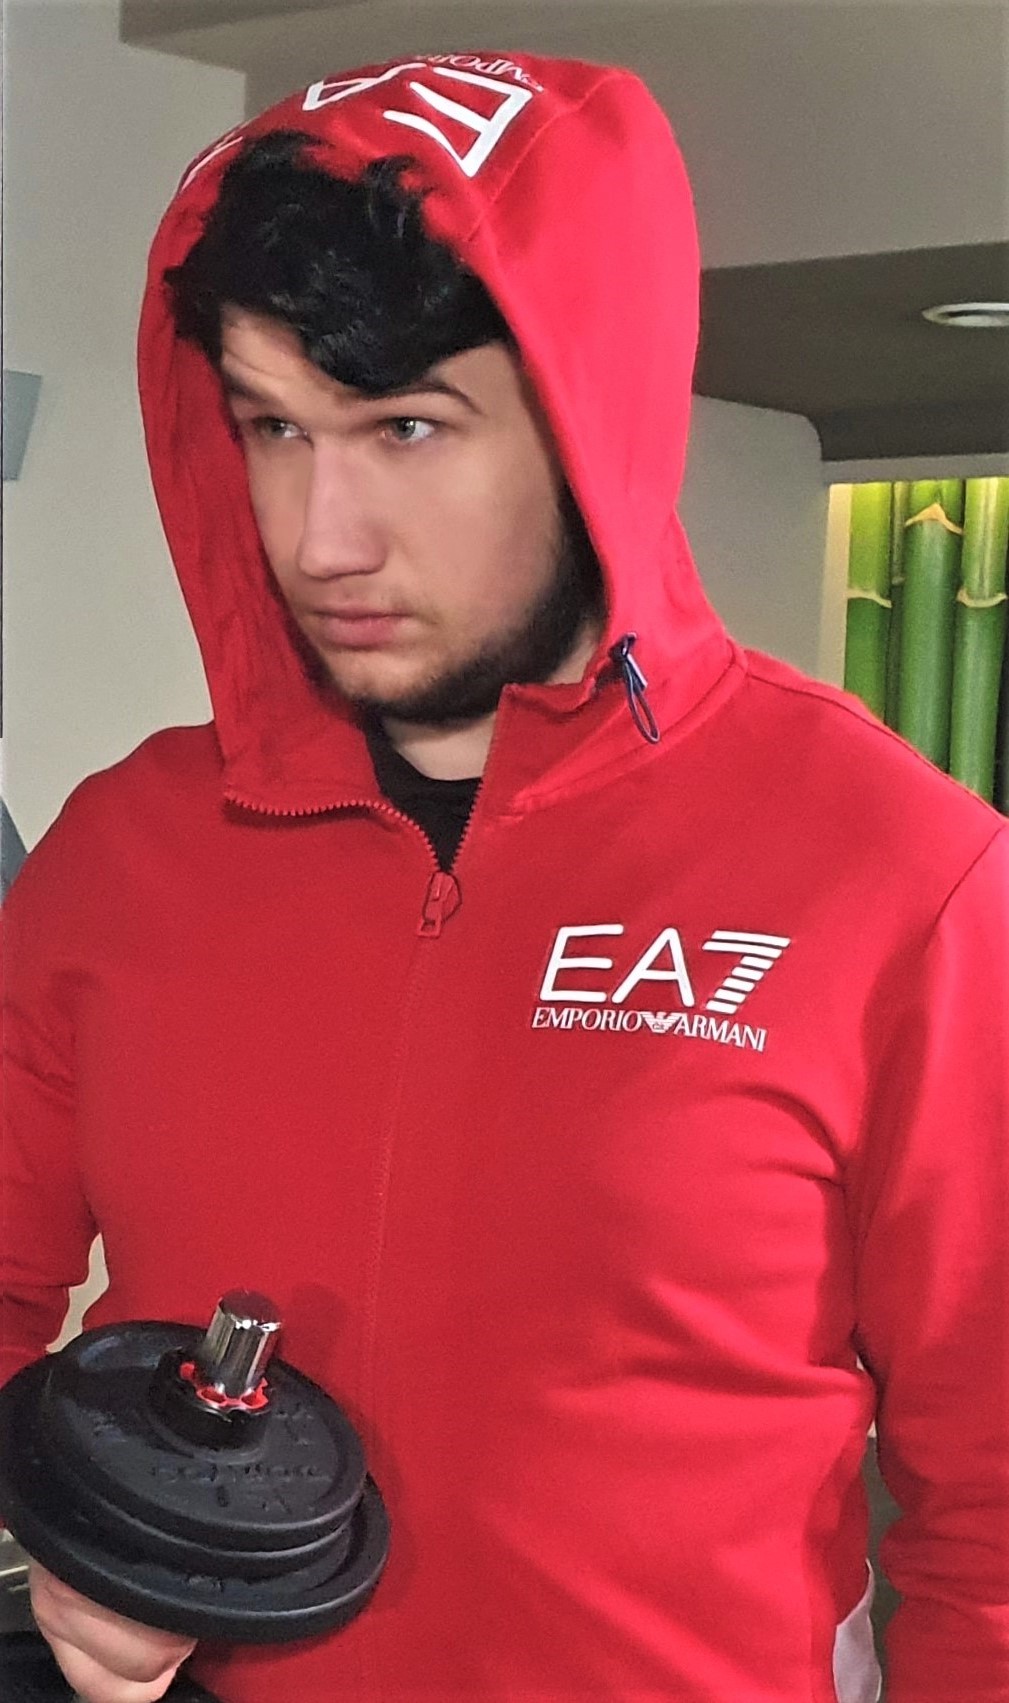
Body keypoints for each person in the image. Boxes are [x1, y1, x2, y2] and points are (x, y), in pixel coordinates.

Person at [3, 49, 1007, 1703]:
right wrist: (68, 1544)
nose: (321, 535)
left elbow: (989, 1510)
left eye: (406, 426)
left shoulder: (897, 871)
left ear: (589, 415)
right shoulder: (123, 855)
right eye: (271, 426)